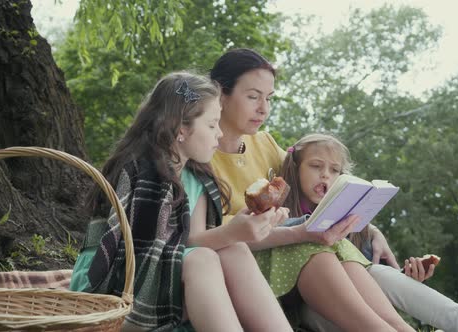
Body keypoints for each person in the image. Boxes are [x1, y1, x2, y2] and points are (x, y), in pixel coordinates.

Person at [209, 48, 458, 332]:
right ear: (221, 93)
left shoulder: (264, 144)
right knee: (318, 247)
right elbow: (215, 237)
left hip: (317, 267)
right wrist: (301, 231)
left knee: (349, 258)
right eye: (253, 97)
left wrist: (371, 229)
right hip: (257, 269)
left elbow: (315, 195)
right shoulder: (201, 159)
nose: (264, 108)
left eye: (269, 98)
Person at [70, 72, 292, 332]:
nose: (220, 134)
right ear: (182, 129)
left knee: (234, 250)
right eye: (211, 125)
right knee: (202, 260)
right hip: (115, 281)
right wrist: (232, 233)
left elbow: (190, 241)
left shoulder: (196, 176)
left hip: (164, 273)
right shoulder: (140, 173)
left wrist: (239, 231)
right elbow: (142, 252)